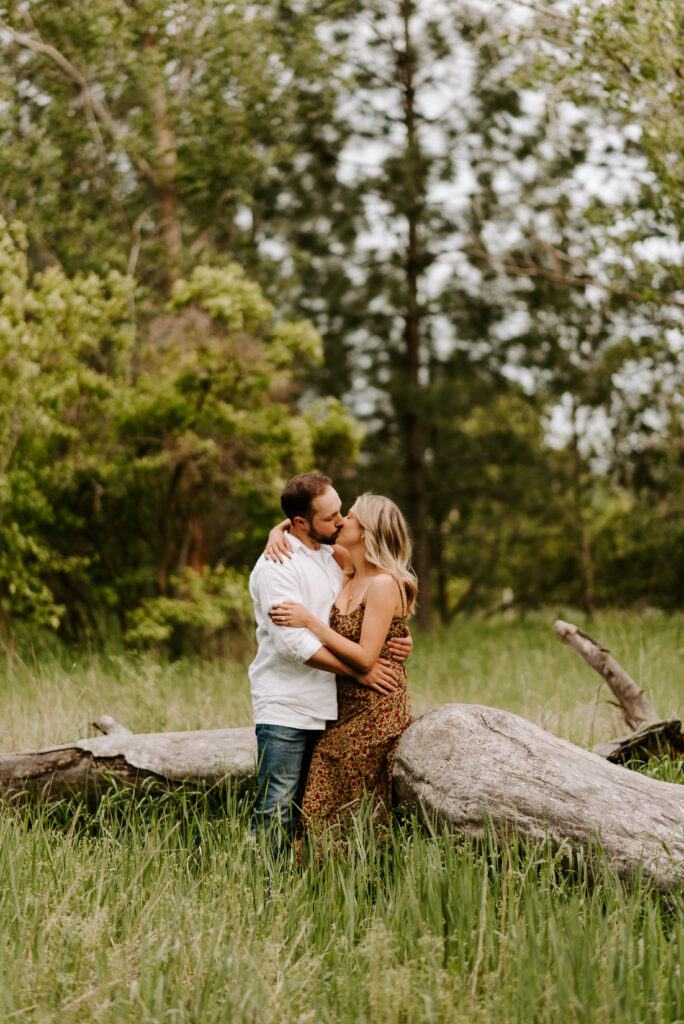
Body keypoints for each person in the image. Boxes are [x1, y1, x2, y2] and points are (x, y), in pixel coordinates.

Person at [248, 474, 411, 844]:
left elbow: (375, 612)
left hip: (336, 708)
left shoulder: (332, 556)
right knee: (277, 808)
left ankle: (332, 888)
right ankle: (265, 896)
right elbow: (294, 645)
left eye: (345, 514)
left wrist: (398, 637)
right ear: (302, 523)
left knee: (323, 810)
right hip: (288, 706)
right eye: (333, 517)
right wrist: (361, 672)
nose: (340, 521)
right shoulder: (279, 563)